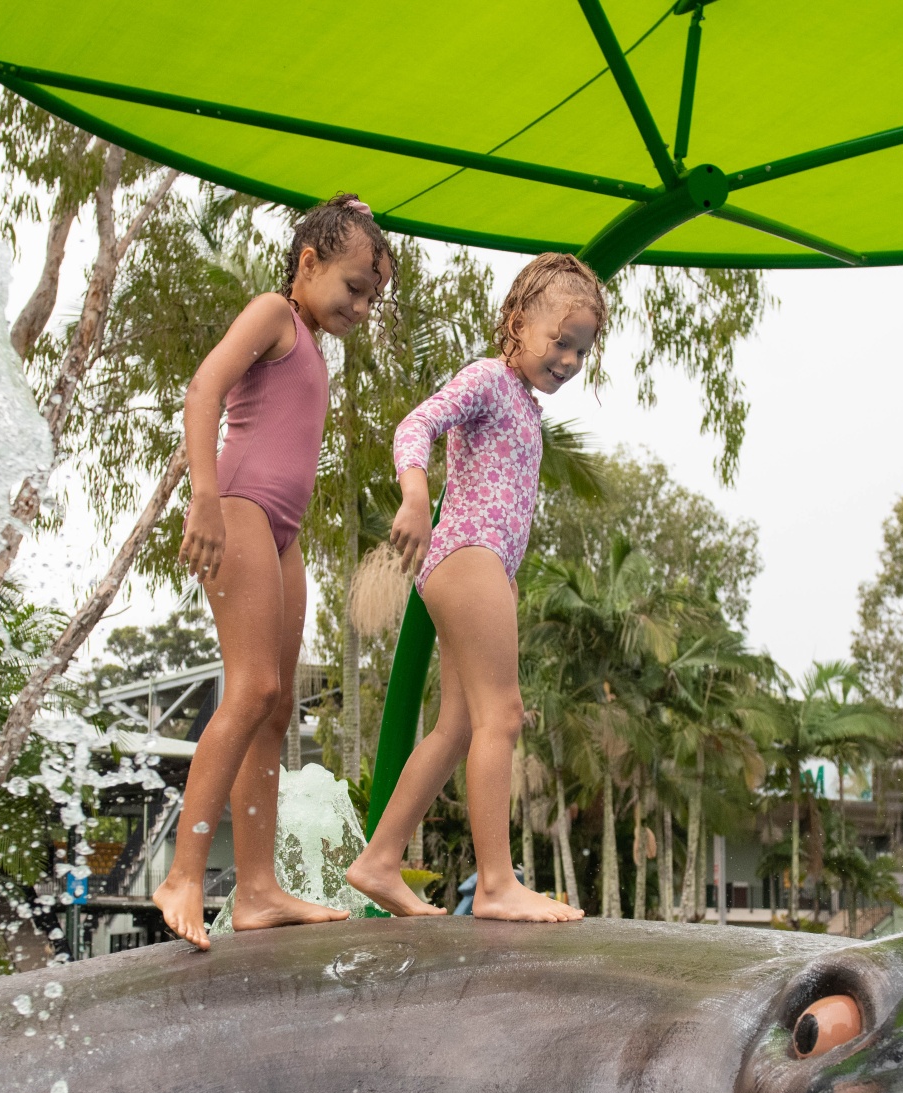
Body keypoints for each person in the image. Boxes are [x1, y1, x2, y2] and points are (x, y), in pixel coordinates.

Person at [152, 196, 392, 949]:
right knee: (251, 685)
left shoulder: (312, 344)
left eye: (373, 297)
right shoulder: (272, 314)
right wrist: (203, 497)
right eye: (353, 287)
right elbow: (203, 390)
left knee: (278, 705)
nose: (361, 306)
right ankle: (184, 873)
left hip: (281, 532)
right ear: (308, 263)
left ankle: (256, 890)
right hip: (240, 505)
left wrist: (357, 210)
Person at [346, 254, 598, 923]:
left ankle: (379, 858)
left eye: (582, 350)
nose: (570, 360)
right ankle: (494, 883)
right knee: (502, 715)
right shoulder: (489, 378)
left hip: (486, 569)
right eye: (561, 341)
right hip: (468, 556)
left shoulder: (523, 405)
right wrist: (414, 495)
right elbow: (414, 425)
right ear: (518, 322)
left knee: (458, 726)